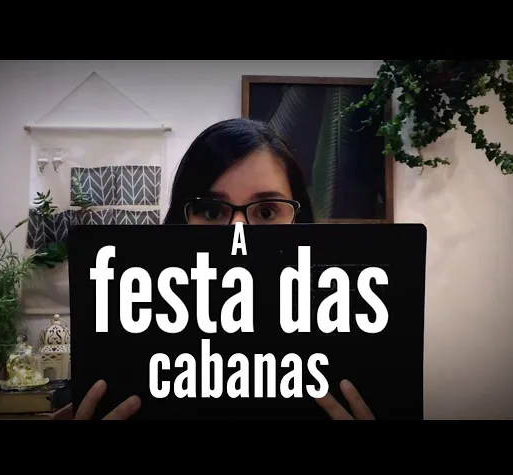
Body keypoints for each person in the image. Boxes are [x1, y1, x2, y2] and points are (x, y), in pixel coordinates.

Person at [73, 118, 375, 420]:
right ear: (180, 222)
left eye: (266, 211)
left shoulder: (342, 339)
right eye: (212, 211)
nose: (237, 234)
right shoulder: (135, 343)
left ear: (300, 221)